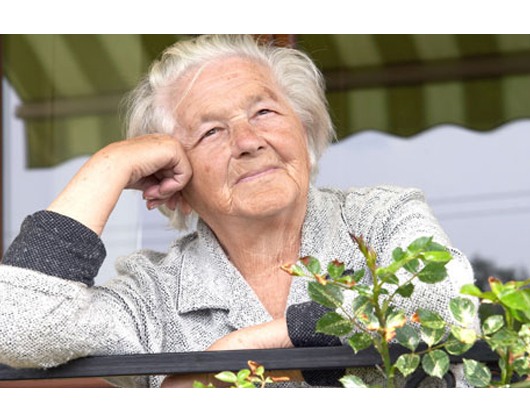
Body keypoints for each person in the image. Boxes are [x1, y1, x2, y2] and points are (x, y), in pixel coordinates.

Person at [0, 35, 474, 388]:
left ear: (305, 133)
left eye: (264, 112)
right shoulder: (155, 298)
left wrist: (248, 347)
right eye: (210, 132)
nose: (248, 142)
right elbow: (17, 326)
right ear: (175, 179)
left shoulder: (380, 216)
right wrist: (110, 163)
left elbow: (446, 303)